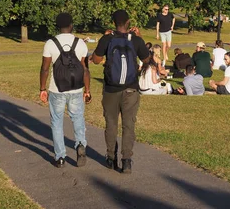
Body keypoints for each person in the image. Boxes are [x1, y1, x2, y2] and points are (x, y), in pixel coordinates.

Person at [92, 10, 149, 174]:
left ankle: (111, 157)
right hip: (131, 88)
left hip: (111, 89)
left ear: (114, 22)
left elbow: (96, 60)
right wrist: (140, 37)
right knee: (129, 124)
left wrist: (105, 39)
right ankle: (126, 161)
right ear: (128, 22)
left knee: (111, 123)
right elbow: (146, 59)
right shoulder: (136, 40)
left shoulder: (107, 39)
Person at [39, 12, 90, 168]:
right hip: (76, 88)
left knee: (56, 122)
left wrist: (42, 88)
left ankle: (60, 156)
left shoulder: (50, 43)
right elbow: (85, 70)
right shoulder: (80, 43)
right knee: (78, 119)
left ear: (58, 26)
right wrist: (87, 90)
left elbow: (45, 69)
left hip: (57, 89)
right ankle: (80, 144)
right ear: (71, 25)